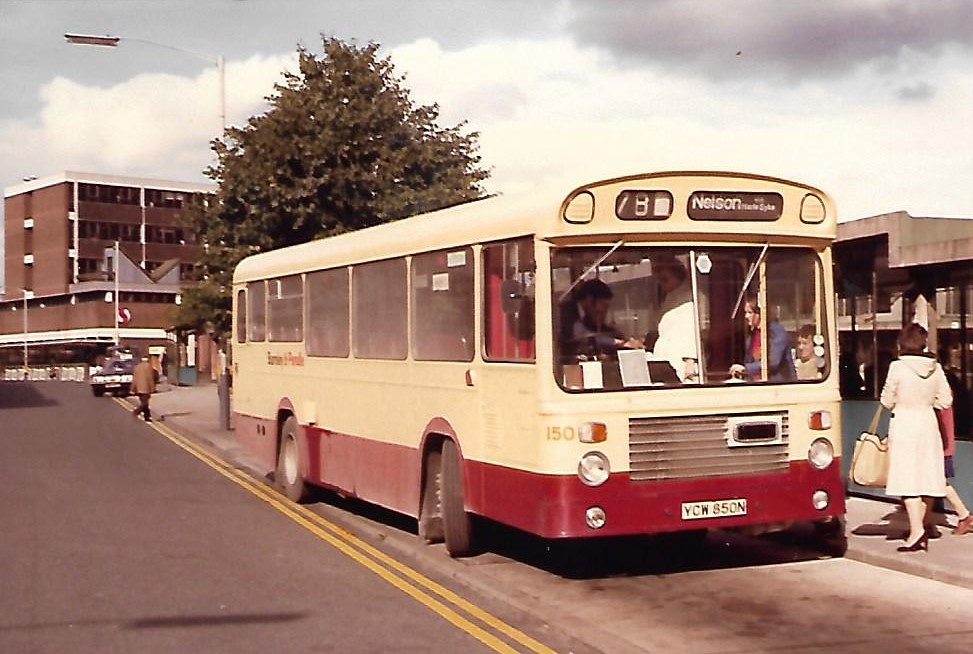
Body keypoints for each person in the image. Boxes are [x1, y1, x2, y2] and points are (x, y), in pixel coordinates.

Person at [880, 323, 969, 552]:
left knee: (907, 480)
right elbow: (946, 400)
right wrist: (928, 404)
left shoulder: (897, 367)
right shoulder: (936, 368)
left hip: (904, 424)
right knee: (928, 478)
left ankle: (917, 530)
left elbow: (886, 401)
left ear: (903, 342)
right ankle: (920, 526)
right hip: (929, 425)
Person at [646, 258, 698, 382]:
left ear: (678, 276)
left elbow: (692, 332)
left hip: (682, 363)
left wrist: (690, 363)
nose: (662, 284)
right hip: (665, 360)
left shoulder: (691, 299)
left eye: (665, 279)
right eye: (659, 280)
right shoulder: (669, 298)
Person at [562, 279, 641, 359]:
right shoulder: (567, 312)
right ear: (590, 300)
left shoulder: (590, 320)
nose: (605, 311)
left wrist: (623, 339)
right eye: (604, 305)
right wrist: (618, 342)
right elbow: (581, 335)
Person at [729, 295, 794, 382]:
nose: (746, 316)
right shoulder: (752, 335)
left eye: (750, 312)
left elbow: (773, 362)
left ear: (759, 313)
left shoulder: (777, 333)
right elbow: (749, 360)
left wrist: (746, 368)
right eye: (745, 313)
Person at [131, 354, 158, 422]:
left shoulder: (137, 367)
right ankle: (136, 411)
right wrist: (152, 388)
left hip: (138, 388)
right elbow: (150, 378)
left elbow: (134, 379)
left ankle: (147, 417)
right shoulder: (148, 366)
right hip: (145, 388)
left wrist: (132, 389)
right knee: (145, 403)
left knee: (145, 403)